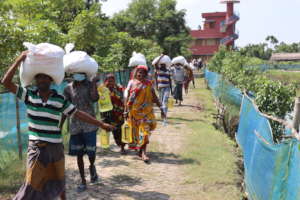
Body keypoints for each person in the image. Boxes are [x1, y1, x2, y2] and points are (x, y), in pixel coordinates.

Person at [1, 51, 114, 200]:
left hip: (56, 147)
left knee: (59, 181)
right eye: (39, 77)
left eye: (45, 77)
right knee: (31, 184)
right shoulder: (29, 96)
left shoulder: (59, 100)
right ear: (35, 80)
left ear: (51, 80)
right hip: (37, 148)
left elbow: (78, 113)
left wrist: (100, 124)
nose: (42, 80)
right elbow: (6, 82)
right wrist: (19, 60)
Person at [63, 72, 100, 192]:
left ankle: (92, 166)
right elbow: (65, 107)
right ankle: (83, 181)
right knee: (79, 154)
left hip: (90, 124)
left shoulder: (90, 84)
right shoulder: (68, 88)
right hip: (76, 126)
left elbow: (95, 98)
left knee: (91, 152)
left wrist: (94, 83)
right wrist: (60, 125)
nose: (78, 75)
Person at [124, 65, 165, 163]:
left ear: (146, 74)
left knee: (145, 132)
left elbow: (154, 97)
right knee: (138, 133)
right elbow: (127, 97)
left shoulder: (148, 84)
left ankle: (143, 153)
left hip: (146, 113)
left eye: (142, 72)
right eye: (138, 72)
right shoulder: (131, 83)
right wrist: (125, 110)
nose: (140, 74)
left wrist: (161, 108)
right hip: (134, 113)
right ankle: (140, 149)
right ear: (135, 73)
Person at [100, 74, 126, 154]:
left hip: (118, 114)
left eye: (112, 80)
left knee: (119, 131)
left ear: (115, 81)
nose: (110, 82)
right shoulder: (102, 89)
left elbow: (124, 97)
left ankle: (122, 147)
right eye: (108, 80)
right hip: (106, 114)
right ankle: (105, 147)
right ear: (105, 81)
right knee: (106, 130)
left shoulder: (119, 88)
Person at [153, 55, 172, 120]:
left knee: (165, 101)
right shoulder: (158, 70)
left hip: (167, 87)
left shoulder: (168, 70)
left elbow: (170, 80)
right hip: (160, 88)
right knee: (160, 102)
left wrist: (171, 91)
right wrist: (160, 57)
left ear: (165, 65)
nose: (162, 65)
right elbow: (155, 63)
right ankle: (162, 112)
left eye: (163, 64)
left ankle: (165, 115)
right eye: (161, 64)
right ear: (160, 65)